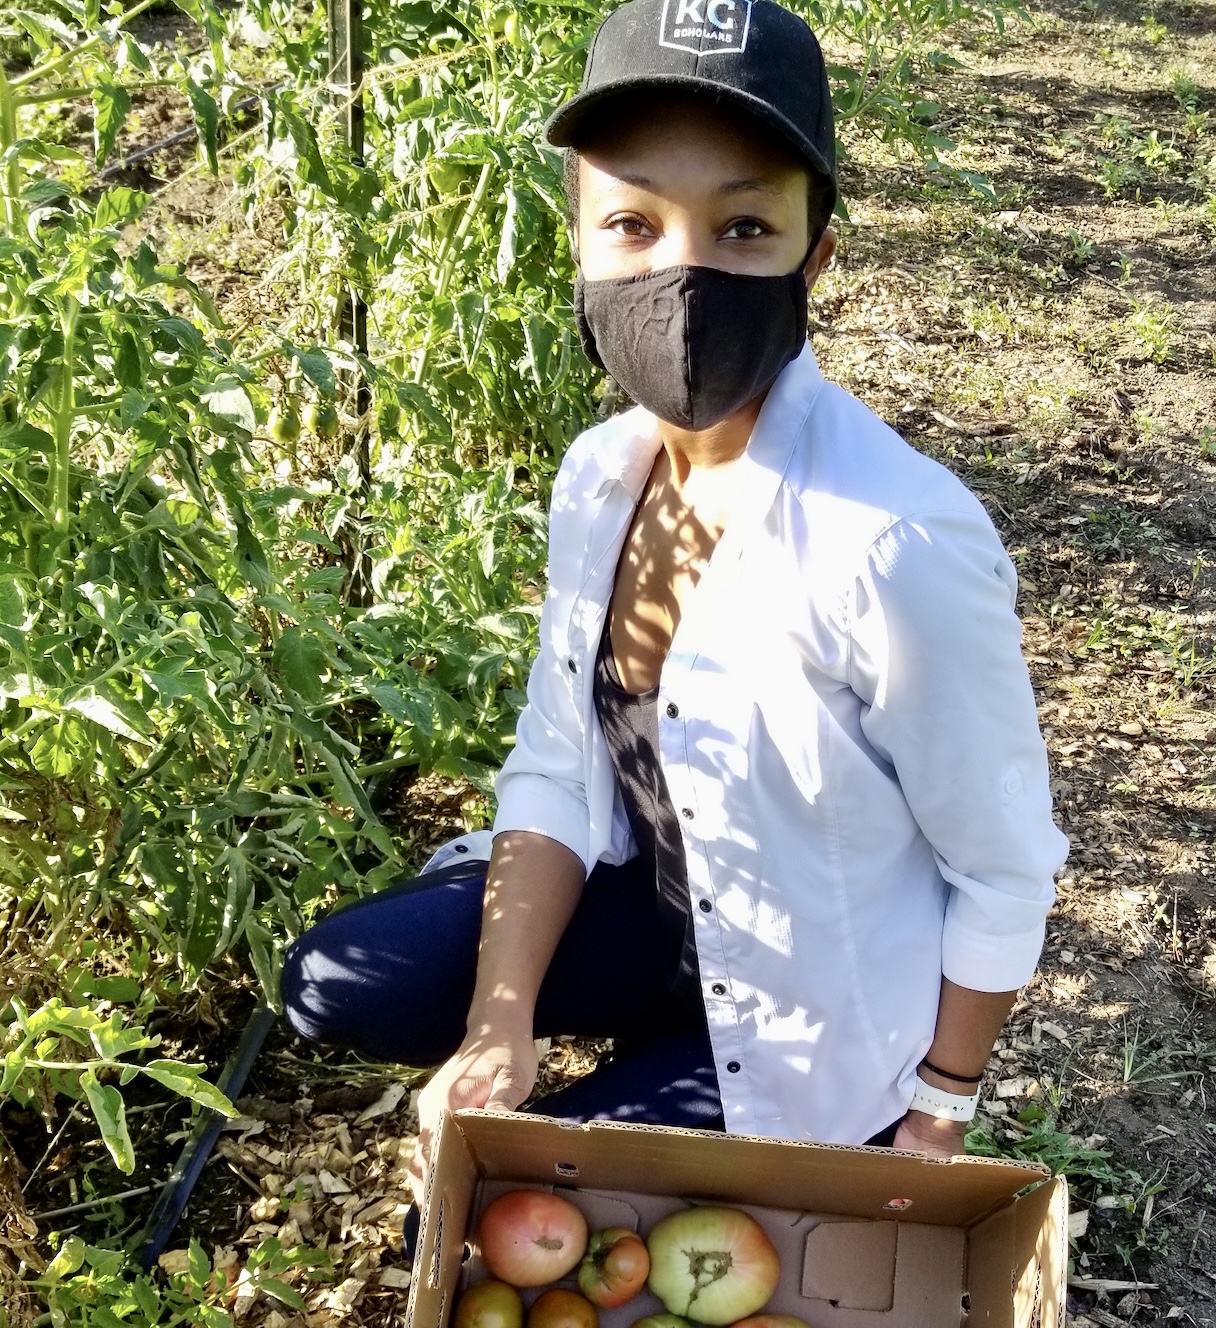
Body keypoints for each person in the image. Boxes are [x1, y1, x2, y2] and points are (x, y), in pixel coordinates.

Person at [280, 0, 1068, 1212]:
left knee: (515, 1215)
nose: (681, 274)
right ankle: (625, 1014)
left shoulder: (893, 540)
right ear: (580, 239)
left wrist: (937, 1106)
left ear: (818, 252)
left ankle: (707, 1081)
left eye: (744, 224)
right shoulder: (603, 475)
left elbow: (1006, 866)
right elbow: (555, 757)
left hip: (810, 1015)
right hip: (661, 905)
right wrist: (503, 1022)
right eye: (632, 223)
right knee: (335, 980)